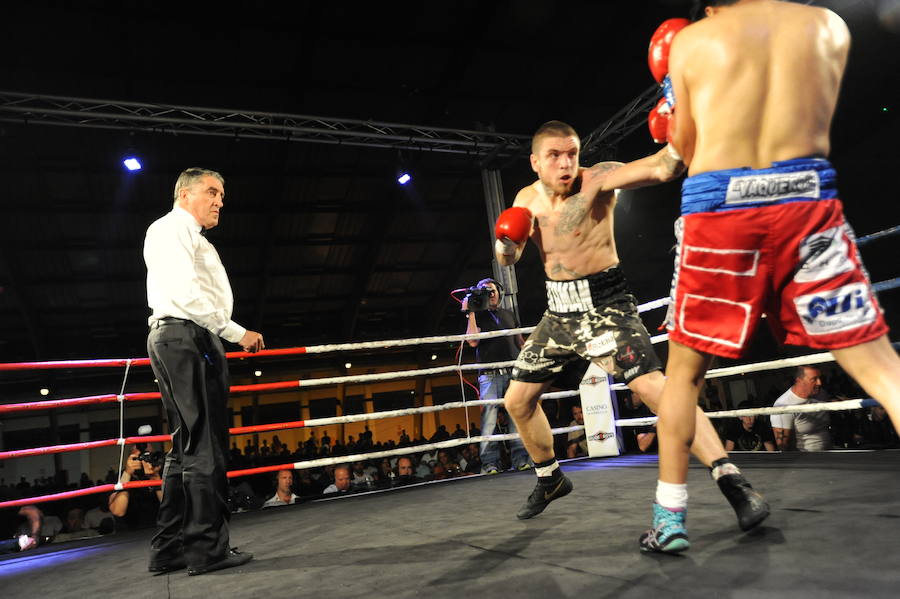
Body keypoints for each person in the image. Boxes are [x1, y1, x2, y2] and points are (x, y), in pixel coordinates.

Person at [644, 0, 900, 553]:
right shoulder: (828, 25)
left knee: (684, 376)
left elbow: (683, 148)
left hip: (720, 209)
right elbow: (818, 117)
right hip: (806, 199)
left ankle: (669, 520)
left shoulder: (691, 41)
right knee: (884, 370)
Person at [497, 120, 769, 532]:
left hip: (607, 307)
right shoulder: (525, 198)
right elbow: (508, 259)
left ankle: (733, 480)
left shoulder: (599, 179)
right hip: (558, 314)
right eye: (555, 155)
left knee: (656, 391)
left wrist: (685, 129)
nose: (567, 162)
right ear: (535, 162)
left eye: (572, 152)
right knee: (516, 401)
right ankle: (550, 478)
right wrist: (504, 241)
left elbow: (662, 168)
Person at [143, 167, 264, 574]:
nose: (219, 201)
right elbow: (186, 295)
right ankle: (207, 549)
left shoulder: (184, 235)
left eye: (222, 195)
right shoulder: (172, 228)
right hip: (187, 336)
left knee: (186, 447)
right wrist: (235, 332)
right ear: (184, 194)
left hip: (179, 336)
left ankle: (170, 549)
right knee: (204, 446)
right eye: (212, 192)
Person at [464, 277, 531, 473]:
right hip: (489, 374)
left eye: (492, 290)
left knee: (516, 417)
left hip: (513, 371)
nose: (490, 294)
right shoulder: (478, 316)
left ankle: (520, 460)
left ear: (499, 293)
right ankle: (490, 463)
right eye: (485, 291)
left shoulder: (509, 314)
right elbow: (473, 342)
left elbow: (520, 342)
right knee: (489, 420)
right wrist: (471, 312)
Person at [771, 367, 832, 451]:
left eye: (819, 378)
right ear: (799, 381)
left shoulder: (821, 393)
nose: (819, 383)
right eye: (814, 379)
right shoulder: (783, 405)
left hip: (830, 453)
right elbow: (784, 446)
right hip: (806, 459)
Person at [108, 446, 163, 530]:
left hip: (157, 531)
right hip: (127, 535)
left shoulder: (159, 474)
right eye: (142, 455)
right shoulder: (119, 477)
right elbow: (118, 511)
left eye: (149, 455)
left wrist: (155, 478)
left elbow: (171, 508)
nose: (145, 459)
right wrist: (127, 474)